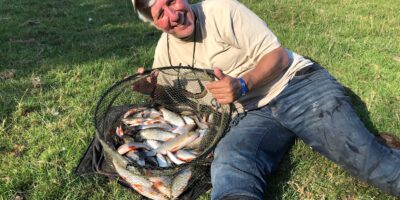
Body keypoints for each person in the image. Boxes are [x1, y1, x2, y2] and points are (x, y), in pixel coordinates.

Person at [130, 0, 400, 199]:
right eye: (161, 14)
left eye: (172, 1)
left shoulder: (221, 10)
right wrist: (152, 90)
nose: (174, 14)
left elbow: (278, 57)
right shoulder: (164, 52)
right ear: (154, 24)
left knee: (365, 159)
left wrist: (243, 84)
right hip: (250, 116)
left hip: (296, 85)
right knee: (231, 162)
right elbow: (176, 99)